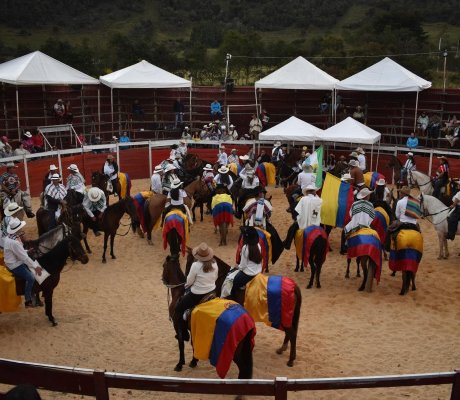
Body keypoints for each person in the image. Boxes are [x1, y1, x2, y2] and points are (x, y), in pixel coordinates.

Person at [175, 242, 218, 341]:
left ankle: (184, 334)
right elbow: (215, 277)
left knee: (178, 309)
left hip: (197, 295)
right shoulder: (215, 263)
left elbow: (189, 281)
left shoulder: (195, 265)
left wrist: (186, 286)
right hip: (212, 292)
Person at [3, 217, 43, 308]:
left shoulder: (10, 238)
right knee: (31, 278)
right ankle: (28, 299)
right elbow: (24, 258)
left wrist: (26, 251)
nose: (21, 230)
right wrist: (35, 267)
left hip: (13, 261)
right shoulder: (15, 242)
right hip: (14, 265)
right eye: (20, 228)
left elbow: (18, 252)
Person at [284, 184, 322, 250]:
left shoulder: (303, 199)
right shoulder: (319, 200)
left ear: (307, 192)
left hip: (304, 224)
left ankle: (287, 243)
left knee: (292, 229)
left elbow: (298, 210)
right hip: (316, 223)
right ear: (314, 192)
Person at [230, 227, 262, 298]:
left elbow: (243, 266)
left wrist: (237, 267)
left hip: (248, 274)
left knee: (234, 282)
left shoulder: (245, 248)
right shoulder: (258, 245)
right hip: (258, 272)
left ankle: (233, 298)